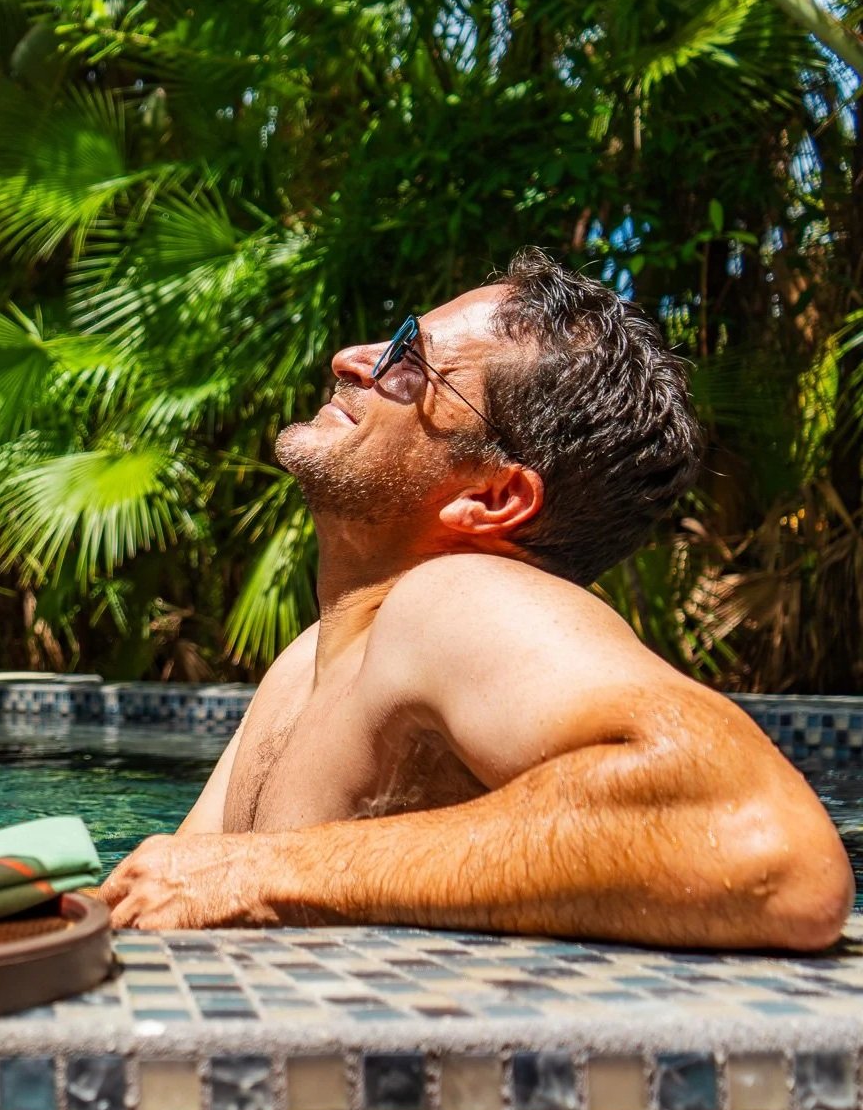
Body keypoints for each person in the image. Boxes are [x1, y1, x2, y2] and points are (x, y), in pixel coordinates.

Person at [98, 247, 854, 950]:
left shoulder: (453, 599)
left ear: (493, 497)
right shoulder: (306, 662)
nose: (353, 360)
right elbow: (172, 885)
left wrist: (271, 871)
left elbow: (772, 846)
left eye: (412, 364)